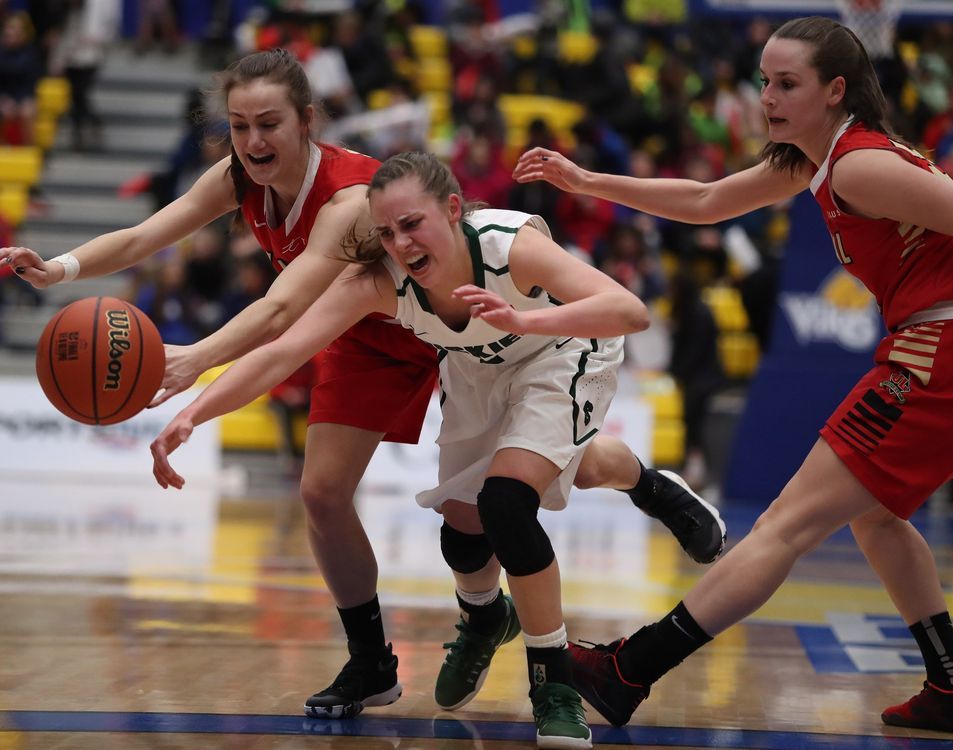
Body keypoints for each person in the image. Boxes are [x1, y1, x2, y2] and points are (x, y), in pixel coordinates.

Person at [1, 49, 724, 724]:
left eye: (269, 124)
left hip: (437, 322)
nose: (252, 141)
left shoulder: (352, 202)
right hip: (368, 326)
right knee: (325, 494)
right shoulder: (236, 180)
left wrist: (197, 361)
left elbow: (282, 309)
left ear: (307, 122)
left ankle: (638, 501)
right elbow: (145, 237)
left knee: (533, 472)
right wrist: (58, 269)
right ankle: (375, 662)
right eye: (239, 126)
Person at [513, 15, 953, 734]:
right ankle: (951, 689)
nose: (768, 96)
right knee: (875, 516)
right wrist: (587, 180)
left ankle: (628, 668)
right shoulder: (814, 160)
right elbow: (706, 203)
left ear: (836, 90)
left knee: (783, 527)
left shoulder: (860, 165)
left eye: (787, 84)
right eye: (764, 81)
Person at [147, 151, 719, 748]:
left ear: (451, 210)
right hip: (478, 369)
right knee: (464, 532)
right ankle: (500, 601)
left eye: (413, 224)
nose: (402, 243)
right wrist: (194, 413)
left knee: (506, 503)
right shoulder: (378, 279)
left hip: (561, 350)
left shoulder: (507, 244)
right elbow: (282, 352)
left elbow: (629, 310)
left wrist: (525, 323)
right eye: (388, 232)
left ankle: (552, 683)